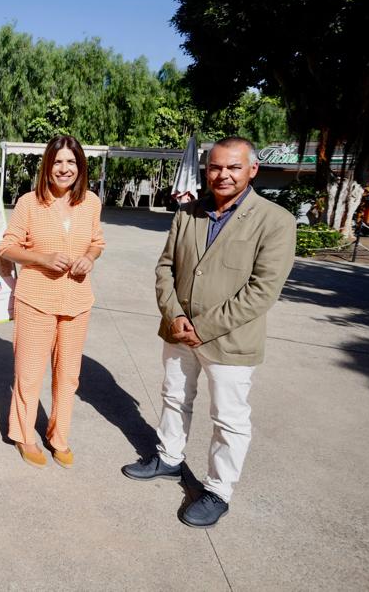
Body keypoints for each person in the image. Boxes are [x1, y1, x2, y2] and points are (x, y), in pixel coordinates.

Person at [122, 137, 295, 528]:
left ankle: (218, 490)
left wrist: (204, 327)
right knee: (174, 396)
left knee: (229, 418)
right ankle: (168, 458)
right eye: (215, 167)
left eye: (233, 167)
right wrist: (175, 315)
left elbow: (262, 290)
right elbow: (166, 268)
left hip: (229, 341)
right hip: (179, 331)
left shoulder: (275, 221)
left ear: (252, 169)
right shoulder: (187, 213)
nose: (223, 175)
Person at [0, 135, 105, 468]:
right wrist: (42, 259)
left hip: (77, 301)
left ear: (80, 166)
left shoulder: (91, 202)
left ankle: (58, 436)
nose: (64, 168)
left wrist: (89, 256)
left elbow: (97, 242)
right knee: (29, 374)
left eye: (71, 162)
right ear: (47, 165)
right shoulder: (29, 203)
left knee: (68, 375)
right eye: (58, 161)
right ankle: (24, 435)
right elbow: (7, 248)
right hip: (35, 300)